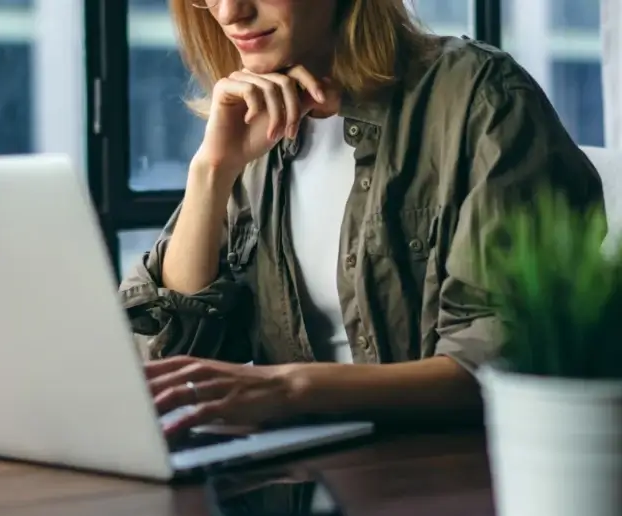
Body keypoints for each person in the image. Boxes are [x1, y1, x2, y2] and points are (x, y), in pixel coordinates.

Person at [120, 0, 604, 435]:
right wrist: (212, 172)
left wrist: (292, 389)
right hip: (303, 481)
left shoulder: (482, 98)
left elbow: (500, 364)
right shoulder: (250, 124)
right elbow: (163, 364)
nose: (228, 13)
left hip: (449, 483)